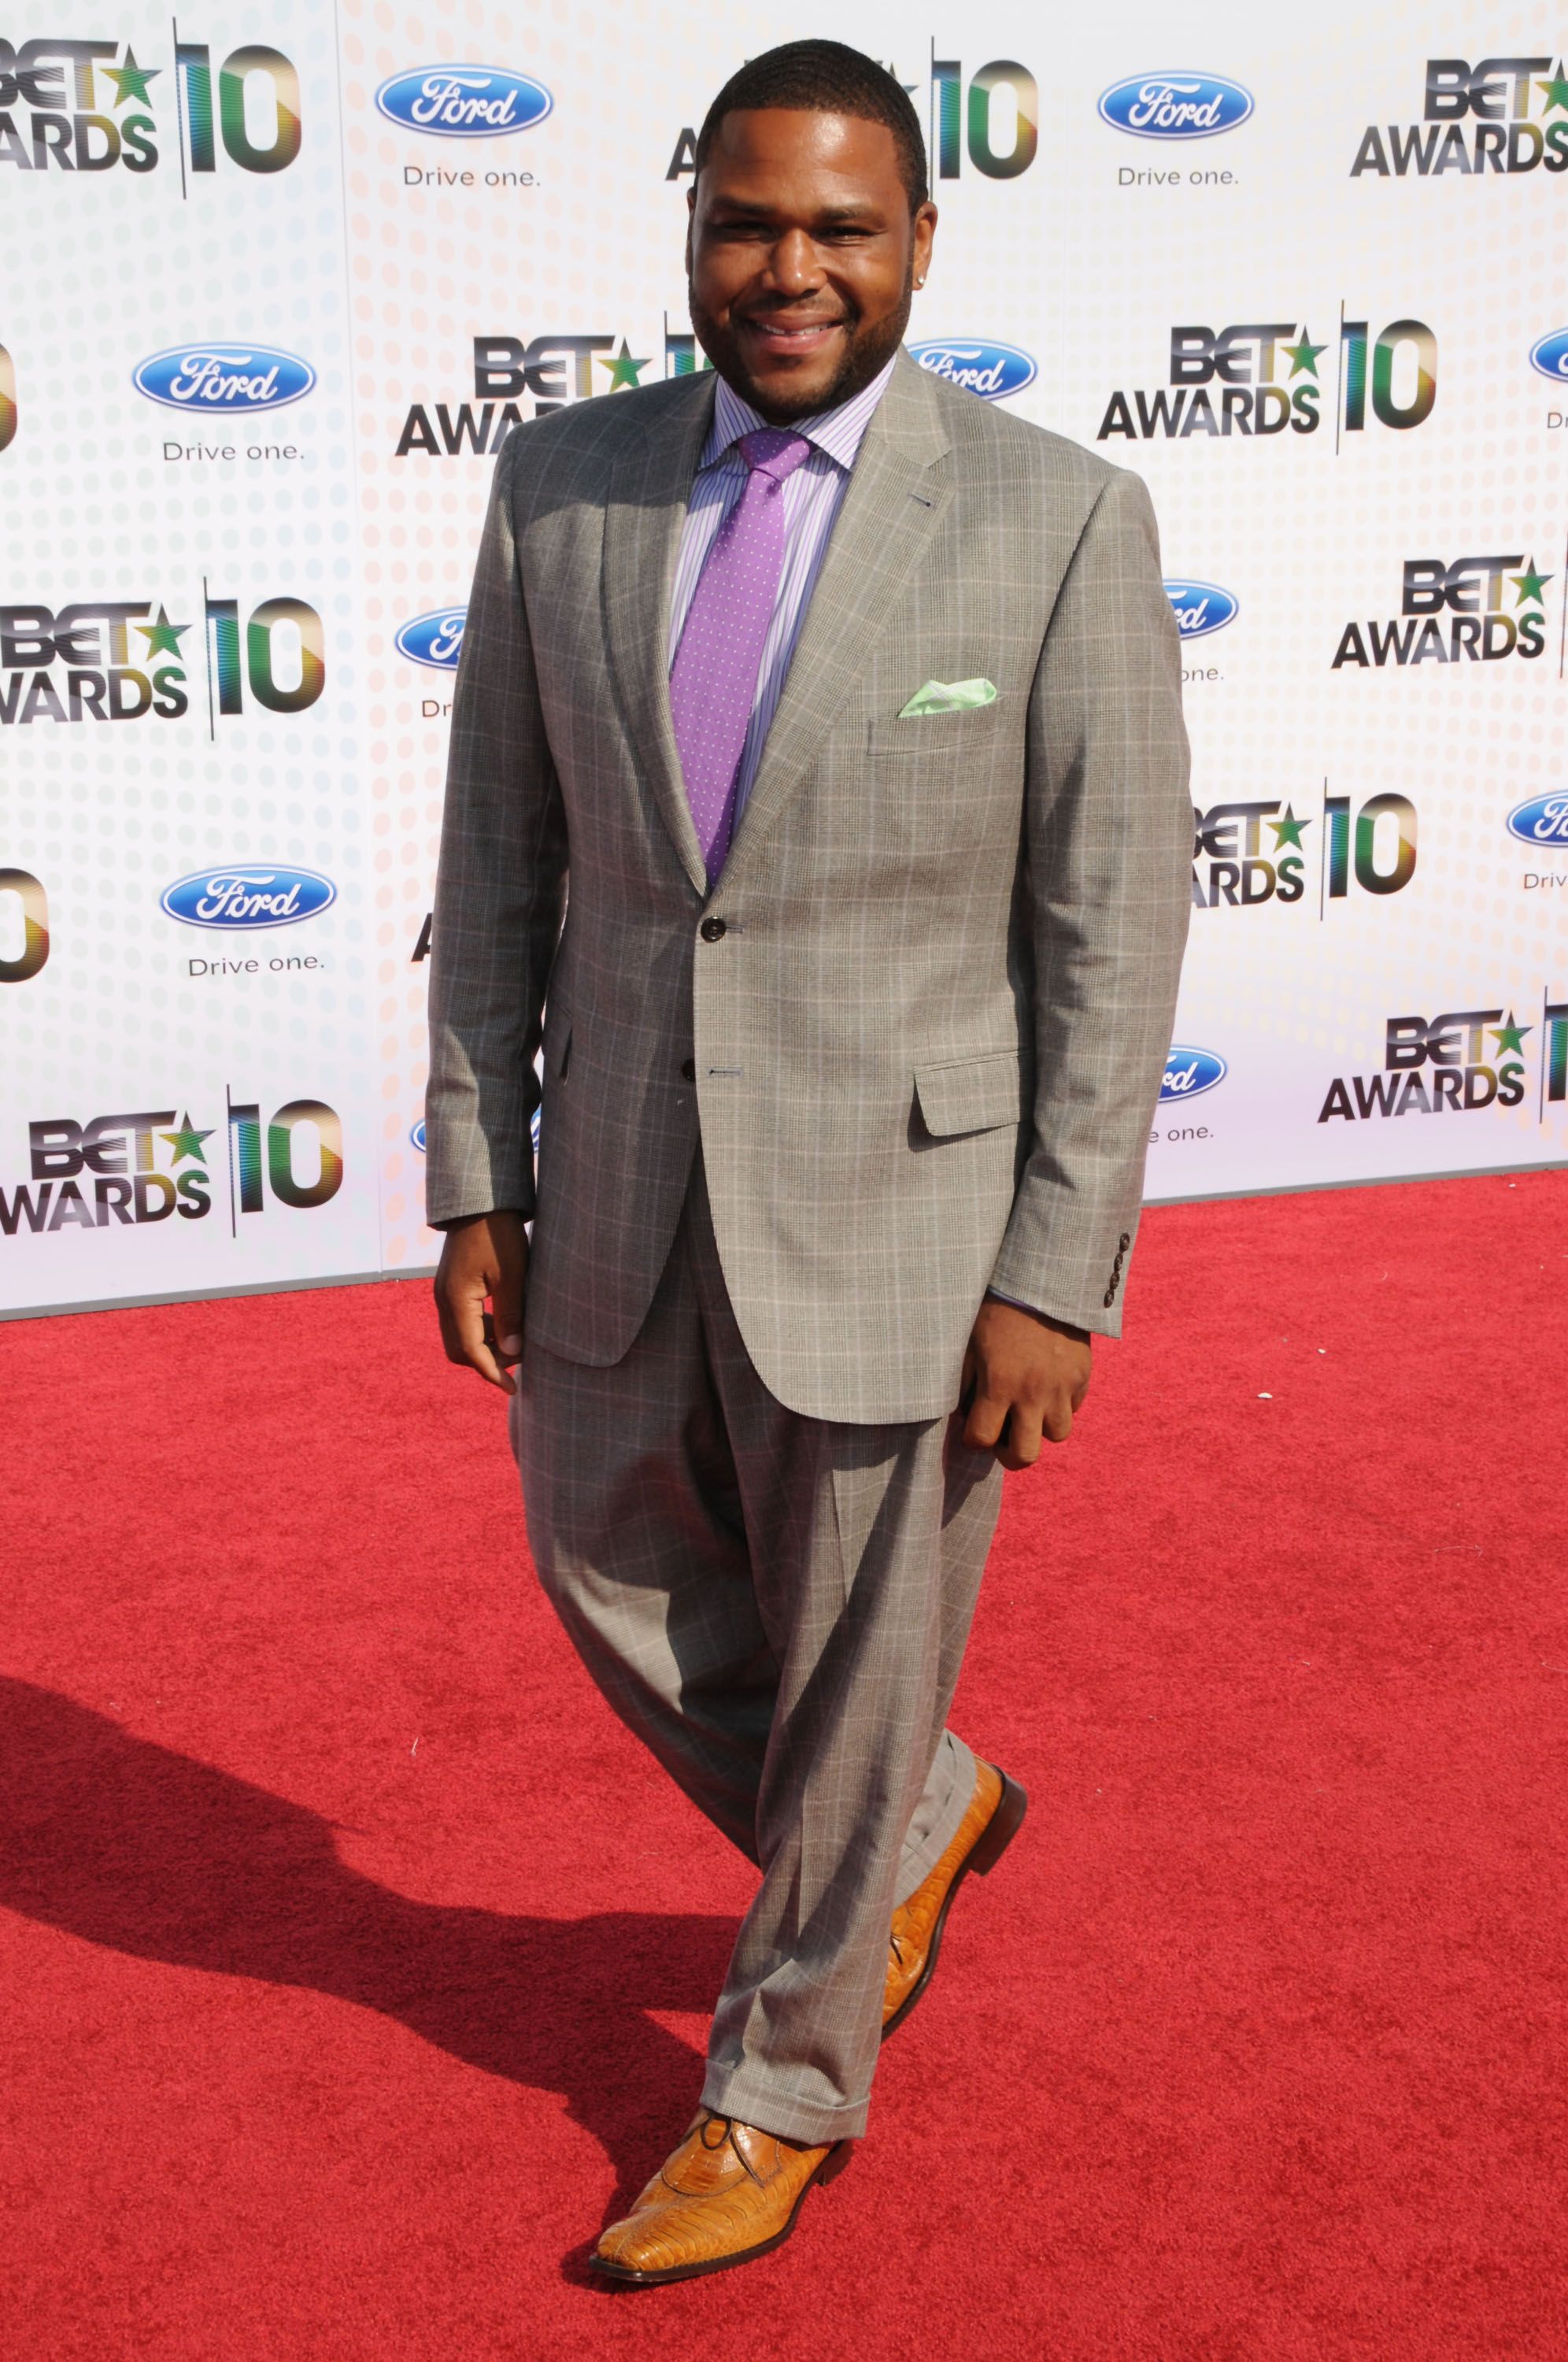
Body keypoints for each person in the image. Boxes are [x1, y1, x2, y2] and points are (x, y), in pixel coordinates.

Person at [426, 38, 1190, 2286]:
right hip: (628, 1178)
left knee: (868, 1652)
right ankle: (916, 1819)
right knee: (604, 1568)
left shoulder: (1055, 515)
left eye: (841, 228)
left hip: (909, 1210)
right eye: (747, 222)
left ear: (921, 245)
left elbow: (1110, 921)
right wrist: (485, 1157)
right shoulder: (558, 490)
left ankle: (781, 2081)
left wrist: (1065, 1267)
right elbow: (500, 847)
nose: (789, 268)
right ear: (691, 236)